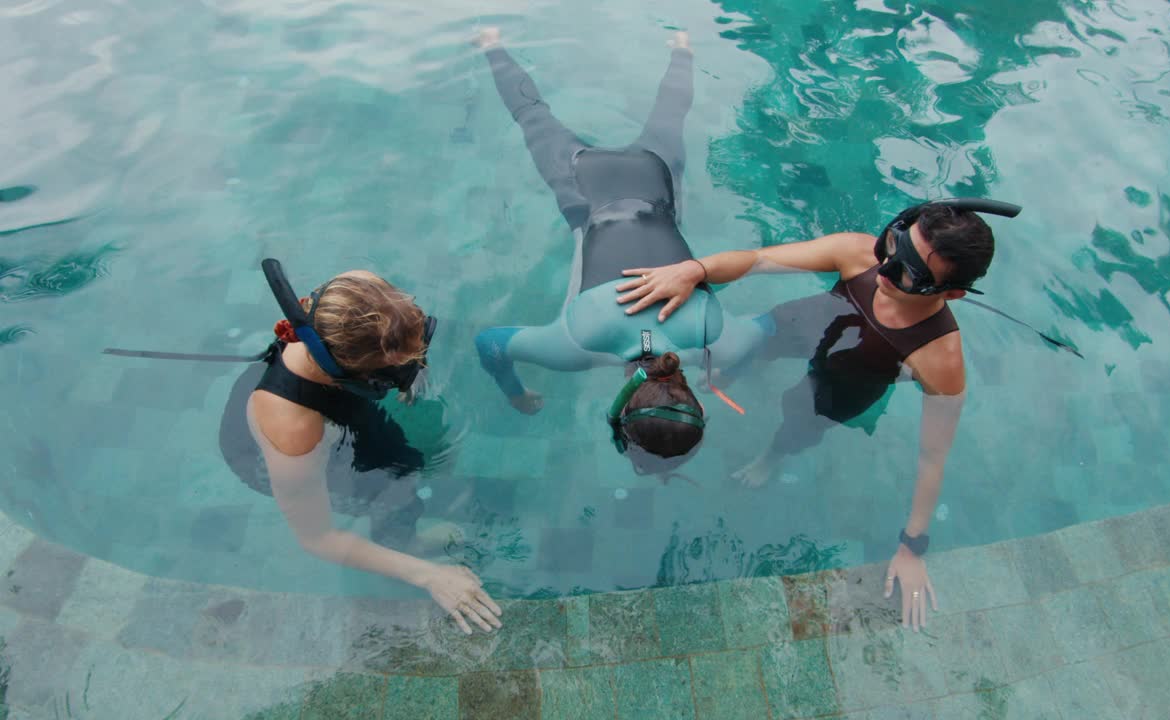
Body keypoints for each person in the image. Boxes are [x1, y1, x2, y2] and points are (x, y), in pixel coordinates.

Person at [615, 198, 1020, 629]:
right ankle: (736, 372)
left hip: (854, 376)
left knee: (801, 421)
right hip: (812, 323)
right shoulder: (859, 253)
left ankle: (770, 458)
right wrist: (694, 269)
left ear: (951, 292)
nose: (883, 270)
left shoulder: (940, 358)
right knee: (751, 341)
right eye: (893, 245)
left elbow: (933, 458)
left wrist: (912, 545)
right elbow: (758, 259)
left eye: (908, 273)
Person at [471, 28, 766, 471]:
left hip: (655, 179)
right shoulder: (575, 347)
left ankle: (682, 50)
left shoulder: (719, 337)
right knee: (533, 116)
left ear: (700, 408)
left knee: (669, 116)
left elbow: (774, 328)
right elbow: (490, 344)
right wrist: (514, 391)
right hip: (583, 190)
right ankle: (491, 43)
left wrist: (729, 370)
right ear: (618, 407)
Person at [219, 259, 502, 635]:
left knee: (404, 462)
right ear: (353, 374)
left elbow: (405, 331)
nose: (412, 367)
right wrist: (431, 576)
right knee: (382, 492)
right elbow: (318, 539)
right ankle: (406, 544)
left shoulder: (358, 287)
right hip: (273, 456)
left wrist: (410, 372)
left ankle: (404, 530)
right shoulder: (294, 432)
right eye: (395, 370)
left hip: (337, 401)